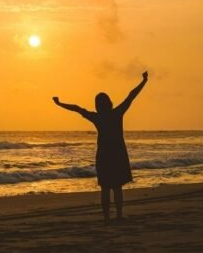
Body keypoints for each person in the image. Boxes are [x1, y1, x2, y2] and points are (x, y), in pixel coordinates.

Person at [53, 71, 149, 223]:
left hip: (104, 154)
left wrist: (59, 104)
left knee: (105, 187)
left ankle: (106, 218)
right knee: (117, 187)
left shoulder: (97, 117)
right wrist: (144, 81)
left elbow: (77, 108)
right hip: (117, 153)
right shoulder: (117, 113)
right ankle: (118, 215)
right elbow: (131, 95)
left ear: (97, 105)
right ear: (109, 102)